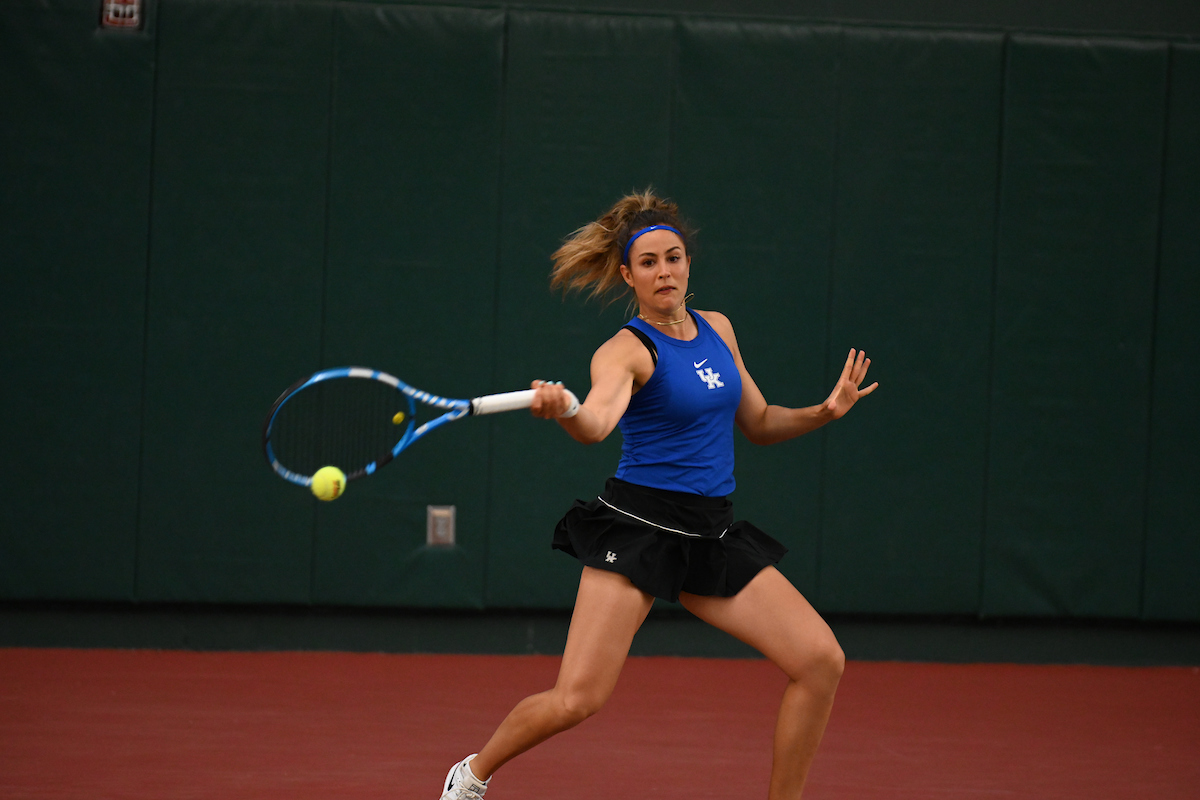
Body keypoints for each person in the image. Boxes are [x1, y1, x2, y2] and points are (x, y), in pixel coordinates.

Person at [439, 190, 877, 800]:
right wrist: (563, 406)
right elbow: (594, 426)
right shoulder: (624, 351)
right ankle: (472, 774)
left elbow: (760, 422)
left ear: (688, 264)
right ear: (628, 275)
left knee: (820, 662)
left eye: (674, 257)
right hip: (638, 527)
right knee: (577, 699)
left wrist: (825, 412)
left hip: (711, 531)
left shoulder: (718, 330)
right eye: (648, 262)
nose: (664, 271)